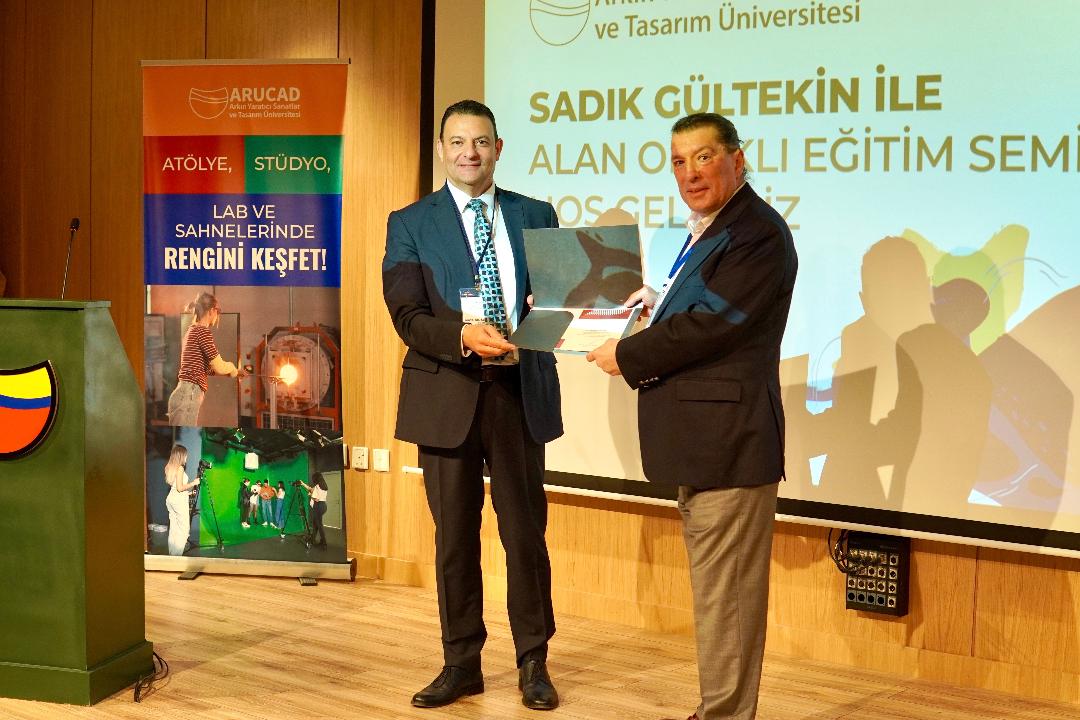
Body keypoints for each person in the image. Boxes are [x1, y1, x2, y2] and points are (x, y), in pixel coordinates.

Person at [586, 112, 798, 720]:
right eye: (679, 161)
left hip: (730, 444)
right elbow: (704, 308)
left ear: (738, 159)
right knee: (718, 597)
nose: (690, 174)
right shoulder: (713, 228)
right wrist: (654, 303)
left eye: (704, 157)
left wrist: (628, 353)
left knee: (728, 602)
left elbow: (713, 325)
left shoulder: (757, 232)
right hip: (705, 443)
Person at [382, 99, 562, 711]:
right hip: (446, 395)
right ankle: (461, 663)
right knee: (455, 540)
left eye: (481, 141)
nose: (469, 153)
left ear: (498, 148)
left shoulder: (537, 214)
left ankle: (533, 661)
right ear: (442, 150)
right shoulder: (410, 222)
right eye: (457, 142)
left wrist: (557, 308)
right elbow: (407, 315)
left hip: (517, 393)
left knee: (525, 535)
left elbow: (561, 303)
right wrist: (461, 335)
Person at [167, 292, 247, 426]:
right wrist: (233, 368)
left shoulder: (192, 330)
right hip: (189, 394)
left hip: (183, 394)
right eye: (218, 311)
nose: (217, 315)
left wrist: (234, 372)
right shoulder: (202, 332)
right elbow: (219, 366)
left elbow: (206, 369)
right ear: (212, 310)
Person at [164, 444, 199, 556]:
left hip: (171, 499)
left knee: (174, 529)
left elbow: (175, 487)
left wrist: (188, 493)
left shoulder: (169, 467)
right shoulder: (180, 468)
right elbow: (179, 488)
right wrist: (193, 483)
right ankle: (177, 555)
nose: (186, 457)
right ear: (181, 455)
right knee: (184, 530)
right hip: (178, 501)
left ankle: (172, 555)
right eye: (185, 455)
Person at [298, 472, 328, 548]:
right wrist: (302, 484)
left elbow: (316, 499)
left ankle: (324, 543)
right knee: (315, 524)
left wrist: (310, 495)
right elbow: (310, 489)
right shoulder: (323, 486)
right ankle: (313, 539)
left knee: (319, 525)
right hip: (323, 506)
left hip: (318, 506)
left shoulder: (317, 486)